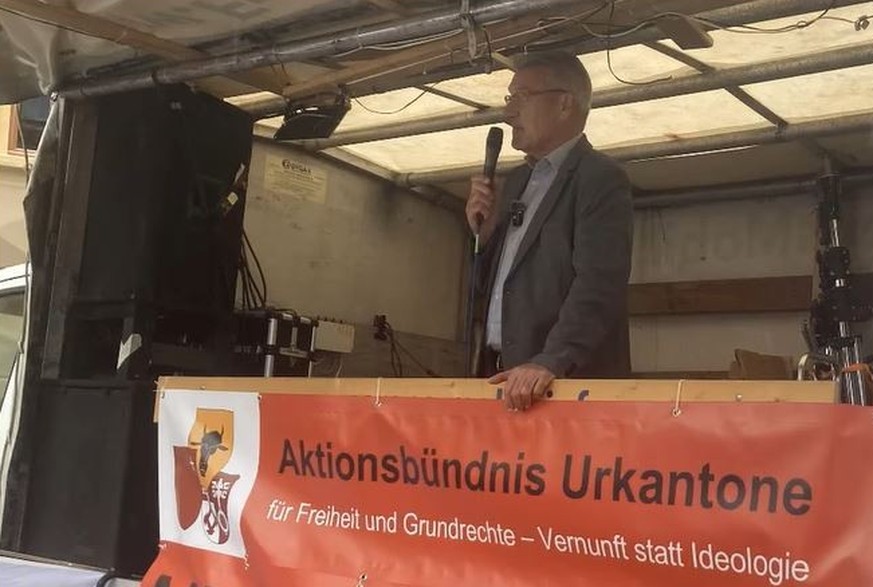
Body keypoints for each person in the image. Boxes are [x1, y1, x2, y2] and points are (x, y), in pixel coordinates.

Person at [466, 51, 633, 412]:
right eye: (509, 98)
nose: (509, 112)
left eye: (521, 97)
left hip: (562, 389)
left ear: (564, 104)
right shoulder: (516, 183)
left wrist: (550, 361)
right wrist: (485, 235)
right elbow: (490, 291)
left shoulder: (599, 178)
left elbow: (599, 284)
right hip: (502, 380)